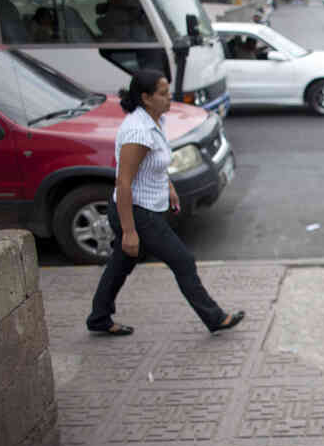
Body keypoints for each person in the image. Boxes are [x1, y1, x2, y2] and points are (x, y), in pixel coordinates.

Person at [86, 69, 245, 337]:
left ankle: (99, 317)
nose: (169, 97)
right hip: (137, 214)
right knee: (183, 261)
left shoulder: (155, 120)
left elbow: (155, 165)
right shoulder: (138, 132)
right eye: (163, 93)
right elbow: (123, 183)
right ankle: (215, 318)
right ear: (146, 98)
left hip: (146, 209)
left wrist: (168, 187)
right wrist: (128, 231)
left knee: (119, 266)